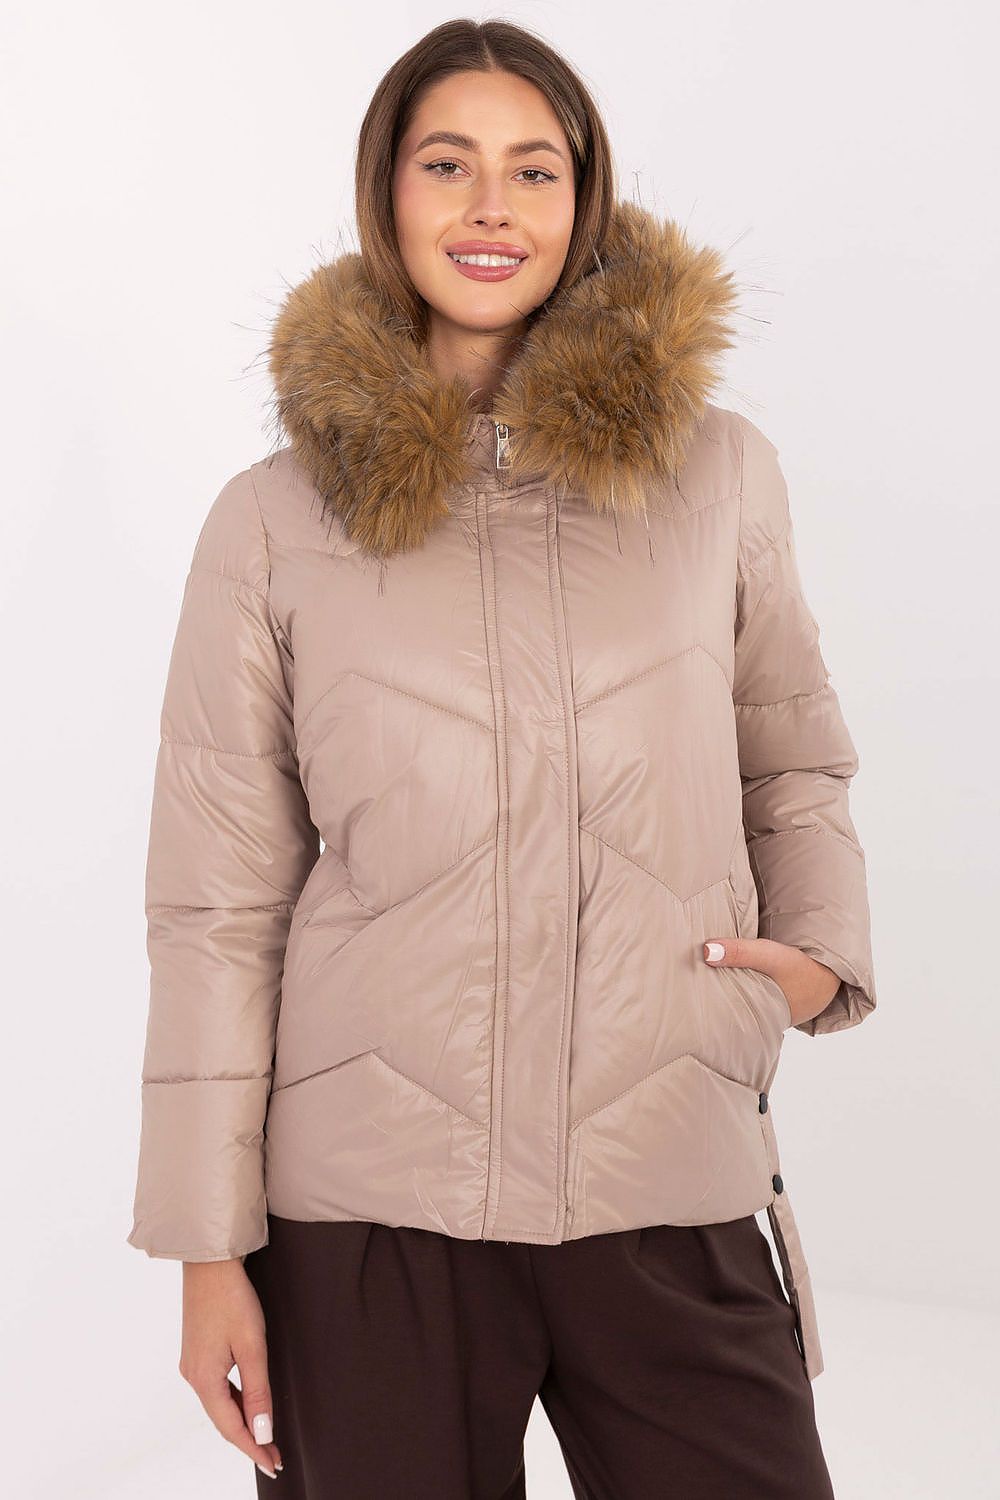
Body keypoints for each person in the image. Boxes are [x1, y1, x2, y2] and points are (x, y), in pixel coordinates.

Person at [126, 17, 878, 1498]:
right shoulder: (273, 518)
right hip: (368, 1220)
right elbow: (216, 905)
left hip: (666, 1167)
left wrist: (811, 958)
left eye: (534, 170)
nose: (491, 207)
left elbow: (790, 756)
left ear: (583, 199)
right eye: (447, 165)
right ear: (386, 194)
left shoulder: (716, 473)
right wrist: (209, 1251)